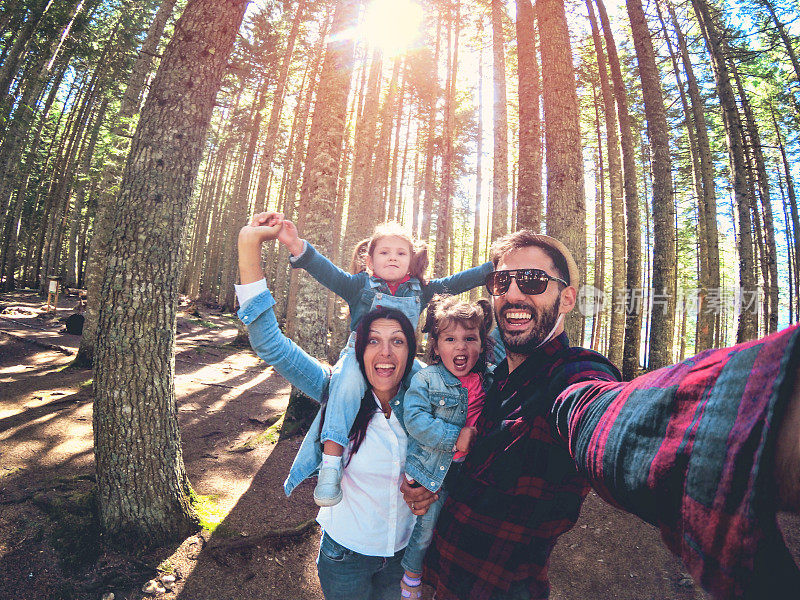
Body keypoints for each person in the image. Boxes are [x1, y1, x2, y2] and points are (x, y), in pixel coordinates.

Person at [401, 229, 800, 600]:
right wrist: (431, 484)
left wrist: (751, 417)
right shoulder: (491, 380)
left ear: (568, 299)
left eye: (533, 281)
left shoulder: (572, 376)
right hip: (440, 576)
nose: (514, 293)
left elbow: (609, 418)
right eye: (503, 282)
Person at [236, 213, 418, 599]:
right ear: (358, 345)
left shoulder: (425, 398)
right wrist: (249, 246)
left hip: (405, 559)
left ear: (412, 347)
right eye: (373, 340)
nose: (385, 353)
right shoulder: (334, 389)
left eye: (397, 341)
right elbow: (270, 343)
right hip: (344, 557)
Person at [275, 217, 494, 506]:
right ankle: (330, 464)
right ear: (370, 259)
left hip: (402, 362)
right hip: (359, 357)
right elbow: (325, 271)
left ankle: (436, 462)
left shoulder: (421, 289)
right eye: (385, 252)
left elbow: (459, 281)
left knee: (433, 384)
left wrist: (494, 268)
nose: (393, 257)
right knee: (345, 385)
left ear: (411, 261)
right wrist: (294, 243)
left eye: (401, 253)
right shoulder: (358, 285)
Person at [400, 295, 495, 599]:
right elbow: (413, 419)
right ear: (436, 345)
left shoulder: (489, 379)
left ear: (482, 343)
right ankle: (410, 580)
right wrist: (456, 437)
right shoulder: (427, 379)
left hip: (468, 473)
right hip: (430, 471)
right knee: (425, 531)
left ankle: (443, 581)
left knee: (457, 532)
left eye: (470, 338)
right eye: (450, 338)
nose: (461, 347)